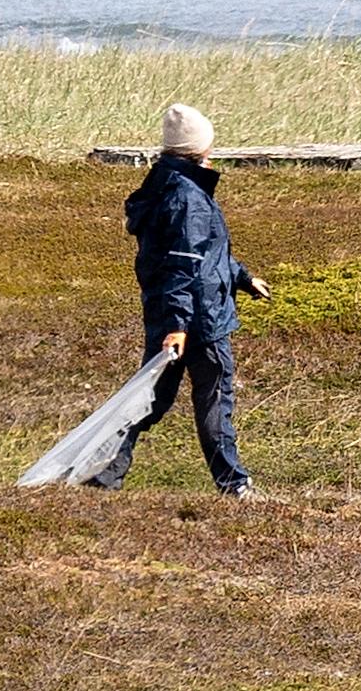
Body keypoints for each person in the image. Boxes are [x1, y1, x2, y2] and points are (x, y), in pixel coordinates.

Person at [111, 99, 268, 489]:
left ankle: (103, 475)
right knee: (214, 399)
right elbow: (184, 266)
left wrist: (242, 278)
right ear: (200, 149)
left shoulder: (166, 184)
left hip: (172, 315)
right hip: (199, 320)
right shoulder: (188, 198)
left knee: (151, 401)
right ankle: (234, 484)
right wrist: (180, 325)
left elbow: (205, 255)